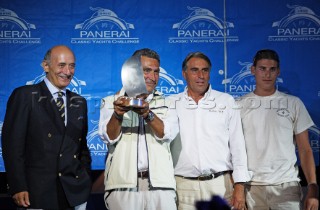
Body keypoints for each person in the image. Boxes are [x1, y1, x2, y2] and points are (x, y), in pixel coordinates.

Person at [1, 45, 92, 210]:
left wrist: (84, 178)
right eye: (62, 65)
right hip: (37, 192)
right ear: (45, 66)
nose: (68, 71)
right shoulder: (25, 95)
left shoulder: (79, 102)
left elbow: (81, 148)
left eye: (72, 66)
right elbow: (12, 146)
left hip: (73, 193)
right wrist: (18, 185)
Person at [165, 52, 251, 210]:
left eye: (205, 70)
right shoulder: (170, 103)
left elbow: (238, 146)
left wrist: (239, 185)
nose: (201, 75)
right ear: (184, 74)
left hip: (220, 186)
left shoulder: (226, 101)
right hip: (183, 187)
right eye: (195, 70)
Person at [238, 49, 319, 210]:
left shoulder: (293, 103)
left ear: (278, 71)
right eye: (262, 68)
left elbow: (305, 150)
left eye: (272, 69)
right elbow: (234, 150)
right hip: (252, 187)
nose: (267, 74)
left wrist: (313, 186)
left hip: (287, 187)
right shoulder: (238, 105)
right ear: (253, 70)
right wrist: (238, 188)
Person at [98, 48, 177, 210]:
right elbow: (108, 137)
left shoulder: (169, 103)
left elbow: (167, 133)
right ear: (132, 72)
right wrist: (118, 114)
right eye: (147, 71)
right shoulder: (110, 101)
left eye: (156, 72)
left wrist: (148, 114)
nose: (153, 77)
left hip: (161, 187)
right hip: (122, 187)